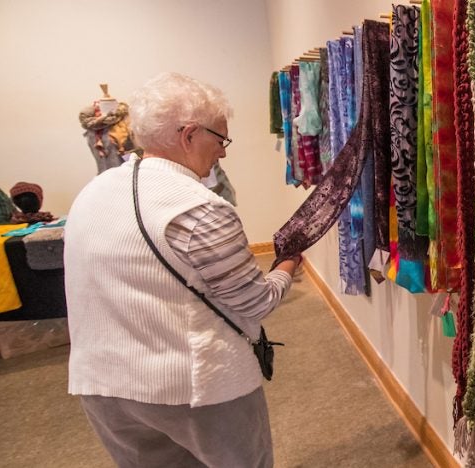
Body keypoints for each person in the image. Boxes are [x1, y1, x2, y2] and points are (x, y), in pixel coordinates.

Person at [64, 72, 302, 468]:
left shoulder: (94, 191)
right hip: (193, 389)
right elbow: (254, 302)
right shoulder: (199, 208)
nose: (223, 153)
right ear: (190, 134)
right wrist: (286, 267)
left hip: (103, 385)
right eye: (221, 139)